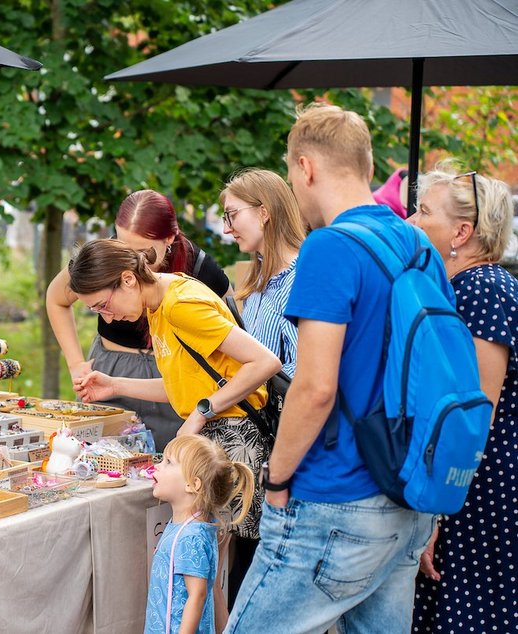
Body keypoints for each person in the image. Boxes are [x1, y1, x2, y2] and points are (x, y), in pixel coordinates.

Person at [226, 103, 440, 633]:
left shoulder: (329, 247)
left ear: (305, 168)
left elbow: (315, 387)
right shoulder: (418, 245)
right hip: (407, 494)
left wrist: (276, 478)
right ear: (366, 166)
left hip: (335, 499)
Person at [68, 238, 279, 630]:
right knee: (218, 575)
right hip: (217, 433)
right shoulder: (158, 303)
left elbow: (264, 362)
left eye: (102, 305)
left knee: (235, 576)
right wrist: (115, 385)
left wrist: (203, 413)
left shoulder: (180, 304)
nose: (107, 318)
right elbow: (185, 384)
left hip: (234, 439)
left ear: (128, 279)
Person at [408, 162, 517, 633]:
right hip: (466, 480)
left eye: (424, 210)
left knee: (471, 612)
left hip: (478, 486)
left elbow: (477, 414)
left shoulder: (484, 288)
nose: (412, 220)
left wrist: (436, 512)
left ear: (463, 231)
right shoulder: (461, 288)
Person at [47, 190, 231, 450]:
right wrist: (75, 363)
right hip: (112, 368)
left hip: (170, 376)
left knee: (169, 466)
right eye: (122, 247)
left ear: (170, 237)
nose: (130, 264)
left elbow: (234, 335)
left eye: (143, 253)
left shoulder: (198, 270)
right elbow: (56, 299)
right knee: (103, 460)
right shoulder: (103, 260)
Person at [145, 435, 254, 634]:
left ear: (193, 485)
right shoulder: (183, 526)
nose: (158, 465)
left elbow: (198, 595)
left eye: (168, 462)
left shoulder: (191, 537)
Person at [220, 168, 305, 378]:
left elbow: (305, 372)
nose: (226, 229)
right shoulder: (258, 281)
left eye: (232, 215)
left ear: (264, 213)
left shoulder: (299, 282)